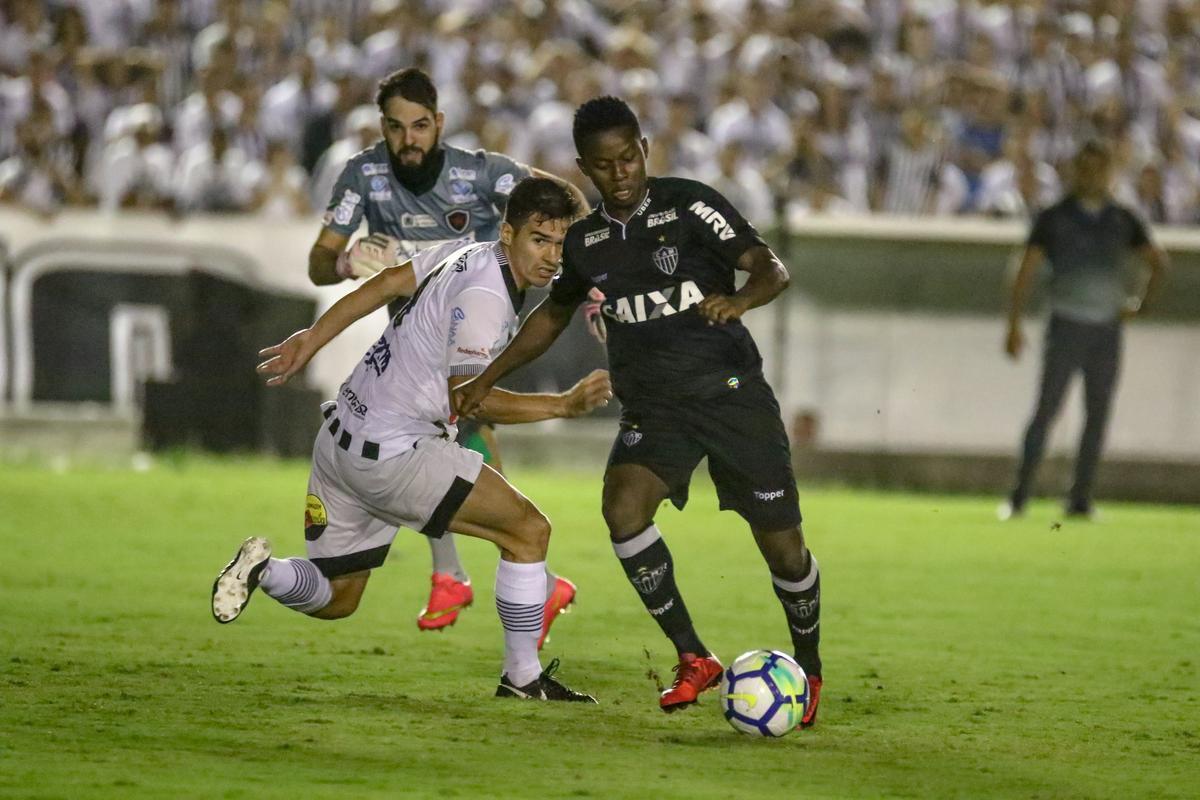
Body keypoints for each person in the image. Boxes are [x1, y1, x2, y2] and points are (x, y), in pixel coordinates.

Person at [454, 97, 823, 726]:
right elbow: (550, 316)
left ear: (644, 148)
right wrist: (485, 377)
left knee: (784, 550)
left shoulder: (690, 204)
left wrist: (739, 303)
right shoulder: (588, 240)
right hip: (656, 408)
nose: (620, 172)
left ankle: (809, 668)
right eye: (604, 164)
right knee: (622, 510)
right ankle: (693, 656)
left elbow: (772, 269)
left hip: (730, 394)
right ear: (585, 169)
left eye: (628, 157)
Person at [211, 177, 610, 702]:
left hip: (339, 438)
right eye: (540, 239)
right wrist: (563, 404)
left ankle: (264, 571)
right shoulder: (489, 295)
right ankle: (522, 678)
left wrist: (312, 339)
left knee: (337, 597)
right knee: (528, 531)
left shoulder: (462, 251)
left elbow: (382, 286)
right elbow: (471, 399)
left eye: (562, 244)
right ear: (509, 233)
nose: (552, 256)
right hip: (395, 452)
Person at [307, 67, 590, 639]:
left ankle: (464, 576)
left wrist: (593, 284)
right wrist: (346, 261)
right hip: (413, 342)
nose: (408, 139)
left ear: (438, 123)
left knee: (458, 440)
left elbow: (567, 203)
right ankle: (511, 581)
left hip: (475, 321)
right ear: (381, 128)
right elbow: (319, 264)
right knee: (452, 447)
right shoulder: (362, 175)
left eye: (419, 125)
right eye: (395, 127)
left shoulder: (479, 172)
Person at [1001, 139, 1169, 519]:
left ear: (1108, 172)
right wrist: (1013, 323)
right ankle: (1019, 495)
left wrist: (1140, 305)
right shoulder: (1054, 217)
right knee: (1047, 409)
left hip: (1106, 329)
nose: (1090, 175)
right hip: (1065, 324)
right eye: (1084, 167)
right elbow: (1024, 270)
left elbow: (1158, 262)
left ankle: (1080, 498)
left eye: (1097, 168)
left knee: (1097, 414)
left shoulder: (1122, 219)